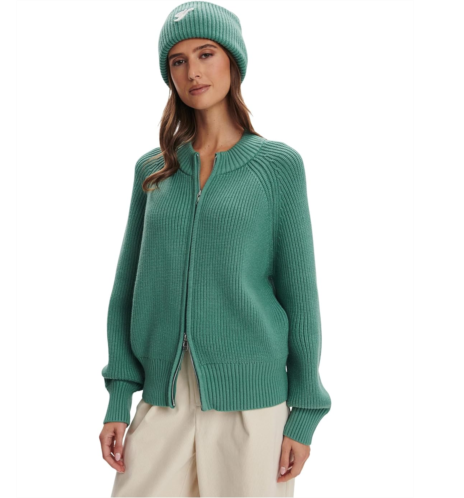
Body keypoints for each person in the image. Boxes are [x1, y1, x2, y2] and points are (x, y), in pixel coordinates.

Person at [98, 1, 332, 496]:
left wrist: (305, 411)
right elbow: (127, 291)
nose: (193, 72)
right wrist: (119, 396)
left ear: (233, 61)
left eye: (206, 54)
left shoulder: (277, 167)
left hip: (252, 405)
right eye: (178, 61)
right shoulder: (153, 171)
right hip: (163, 398)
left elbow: (300, 294)